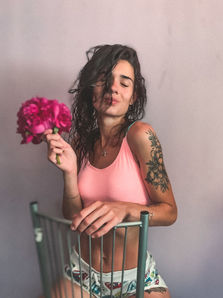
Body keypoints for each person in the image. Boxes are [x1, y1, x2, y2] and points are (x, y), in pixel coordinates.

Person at [44, 44, 177, 297]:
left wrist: (124, 209)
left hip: (134, 279)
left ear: (133, 95)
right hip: (81, 273)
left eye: (124, 83)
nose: (113, 88)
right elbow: (74, 217)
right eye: (104, 79)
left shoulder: (141, 136)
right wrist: (69, 173)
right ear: (90, 89)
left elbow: (170, 212)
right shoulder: (80, 143)